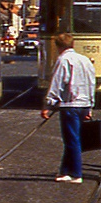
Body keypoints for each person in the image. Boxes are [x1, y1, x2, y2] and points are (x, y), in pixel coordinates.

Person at [41, 32, 96, 183]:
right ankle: (65, 171)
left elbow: (58, 83)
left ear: (58, 46)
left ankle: (77, 174)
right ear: (72, 44)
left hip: (70, 105)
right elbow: (91, 84)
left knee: (72, 140)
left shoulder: (63, 60)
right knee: (71, 139)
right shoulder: (85, 60)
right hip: (84, 104)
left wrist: (49, 104)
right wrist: (90, 107)